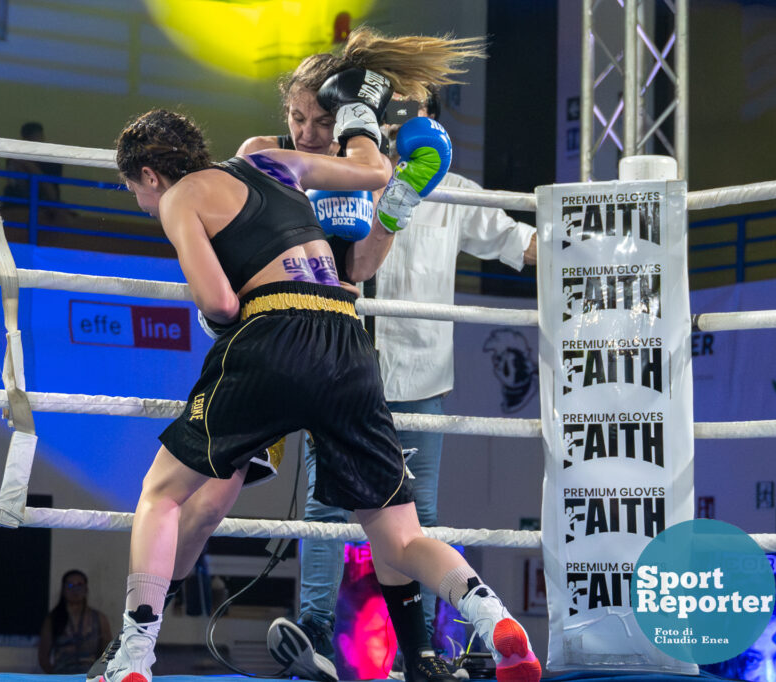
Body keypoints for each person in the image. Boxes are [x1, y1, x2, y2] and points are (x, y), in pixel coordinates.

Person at [96, 47, 540, 682]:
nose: (305, 131)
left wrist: (385, 180)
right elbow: (354, 224)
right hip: (346, 347)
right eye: (296, 117)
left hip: (274, 338)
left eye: (320, 120)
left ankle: (136, 654)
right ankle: (492, 617)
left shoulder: (213, 185)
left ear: (146, 173)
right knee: (394, 532)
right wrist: (365, 128)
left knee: (165, 496)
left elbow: (272, 289)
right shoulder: (270, 157)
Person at [264, 85, 538, 682]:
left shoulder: (454, 192)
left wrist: (610, 253)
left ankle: (427, 651)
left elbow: (525, 244)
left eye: (413, 108)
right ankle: (313, 631)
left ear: (430, 119)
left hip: (419, 373)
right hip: (338, 366)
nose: (399, 117)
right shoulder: (328, 175)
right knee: (324, 504)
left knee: (421, 516)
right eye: (394, 107)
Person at [38, 569, 113, 674]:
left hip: (90, 676)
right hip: (62, 675)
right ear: (63, 590)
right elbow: (43, 657)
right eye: (70, 585)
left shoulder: (99, 619)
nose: (75, 590)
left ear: (86, 589)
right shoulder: (53, 619)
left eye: (79, 585)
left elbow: (109, 653)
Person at [4, 121, 64, 206]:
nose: (36, 142)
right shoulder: (15, 159)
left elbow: (52, 195)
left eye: (38, 137)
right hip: (20, 205)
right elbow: (16, 187)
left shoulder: (52, 161)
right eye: (32, 139)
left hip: (46, 207)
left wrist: (29, 166)